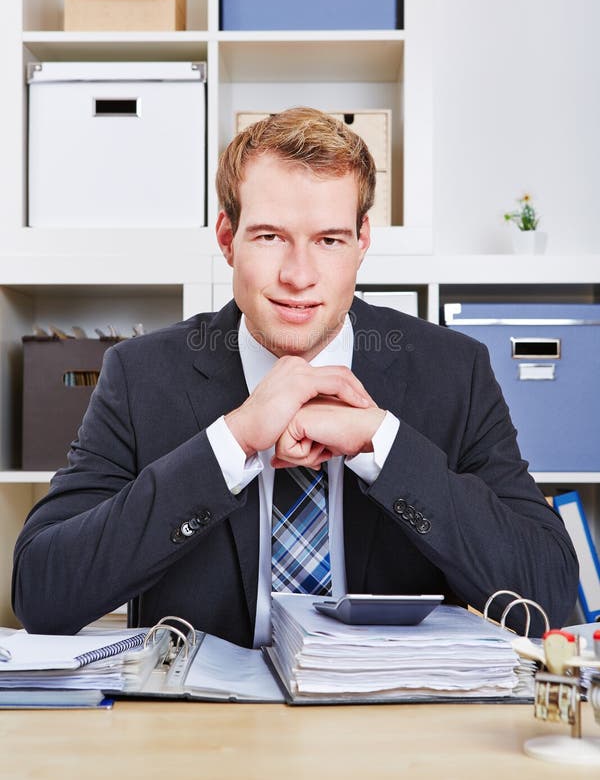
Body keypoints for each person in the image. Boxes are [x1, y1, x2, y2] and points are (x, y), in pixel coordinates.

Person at [12, 107, 578, 644]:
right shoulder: (141, 376)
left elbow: (547, 594)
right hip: (204, 734)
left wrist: (381, 444)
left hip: (394, 725)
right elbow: (41, 591)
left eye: (329, 240)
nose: (299, 276)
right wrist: (231, 443)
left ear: (362, 244)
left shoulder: (454, 372)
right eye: (270, 237)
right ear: (227, 239)